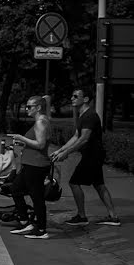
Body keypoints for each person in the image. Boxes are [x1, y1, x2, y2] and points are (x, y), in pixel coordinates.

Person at [51, 88, 120, 226]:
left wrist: (66, 153)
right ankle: (113, 217)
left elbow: (83, 139)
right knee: (99, 185)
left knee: (74, 182)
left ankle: (82, 217)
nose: (72, 98)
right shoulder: (83, 115)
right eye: (72, 96)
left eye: (76, 96)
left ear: (86, 99)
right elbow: (76, 136)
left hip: (92, 156)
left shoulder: (90, 116)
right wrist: (60, 150)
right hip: (93, 155)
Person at [6, 96, 53, 239]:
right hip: (31, 164)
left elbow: (40, 144)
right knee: (16, 189)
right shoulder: (42, 120)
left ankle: (41, 229)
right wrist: (24, 145)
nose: (26, 109)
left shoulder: (40, 122)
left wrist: (21, 138)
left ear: (38, 108)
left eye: (29, 106)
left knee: (36, 197)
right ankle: (26, 221)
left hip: (36, 165)